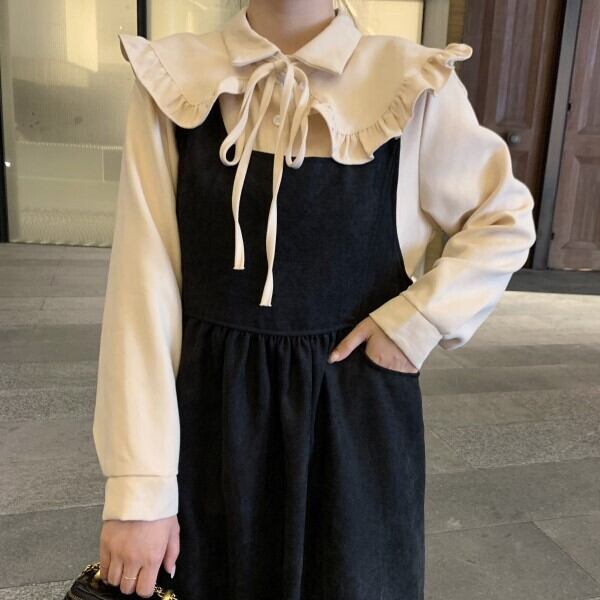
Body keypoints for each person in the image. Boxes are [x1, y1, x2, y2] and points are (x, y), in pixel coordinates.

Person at [92, 1, 537, 598]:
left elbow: (502, 218)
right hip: (212, 423)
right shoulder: (174, 79)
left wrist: (418, 319)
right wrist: (139, 490)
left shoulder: (411, 81)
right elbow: (141, 294)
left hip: (356, 422)